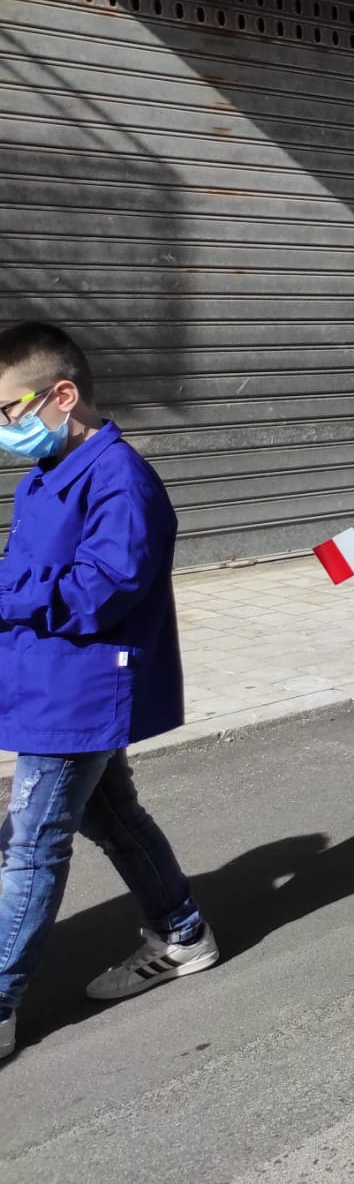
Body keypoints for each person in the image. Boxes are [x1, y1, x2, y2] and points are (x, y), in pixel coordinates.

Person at [0, 323, 220, 1064]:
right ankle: (184, 933)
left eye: (8, 409)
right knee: (115, 818)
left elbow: (100, 589)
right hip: (49, 682)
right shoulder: (46, 474)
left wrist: (5, 593)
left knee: (31, 845)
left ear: (62, 396)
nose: (3, 427)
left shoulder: (120, 479)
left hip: (81, 692)